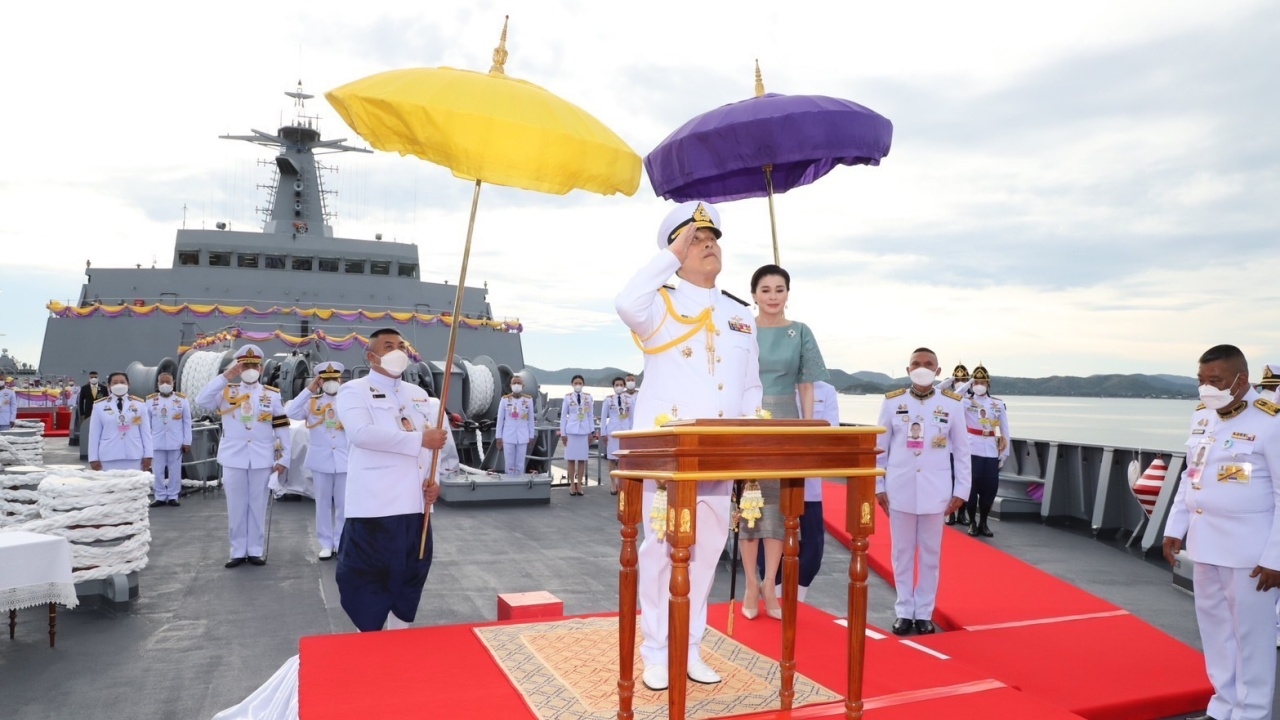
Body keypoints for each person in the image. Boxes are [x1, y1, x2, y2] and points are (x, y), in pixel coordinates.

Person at [616, 200, 763, 691]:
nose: (708, 246)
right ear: (677, 250)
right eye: (696, 241)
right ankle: (656, 650)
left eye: (712, 240)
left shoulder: (741, 316)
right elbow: (625, 303)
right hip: (669, 456)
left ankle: (691, 645)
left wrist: (745, 441)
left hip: (719, 453)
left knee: (706, 552)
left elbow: (750, 387)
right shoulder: (659, 302)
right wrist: (669, 255)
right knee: (661, 552)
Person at [1163, 344, 1280, 720]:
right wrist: (1174, 528)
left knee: (1252, 638)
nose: (1205, 389)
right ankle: (1223, 704)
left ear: (1241, 380)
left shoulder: (1271, 422)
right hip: (1205, 546)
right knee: (1215, 632)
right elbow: (1189, 476)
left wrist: (1276, 558)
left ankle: (1252, 712)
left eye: (1214, 381)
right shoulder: (1202, 418)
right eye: (1201, 381)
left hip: (1252, 554)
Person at [334, 328, 455, 631]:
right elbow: (361, 434)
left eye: (400, 345)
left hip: (415, 507)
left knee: (410, 578)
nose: (396, 350)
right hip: (375, 507)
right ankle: (370, 642)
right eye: (388, 346)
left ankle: (399, 640)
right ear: (371, 355)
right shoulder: (354, 391)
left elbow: (436, 442)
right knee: (368, 583)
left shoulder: (419, 395)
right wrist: (418, 440)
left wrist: (433, 480)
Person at [738, 263, 828, 622]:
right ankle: (749, 583)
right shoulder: (742, 331)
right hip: (749, 419)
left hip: (787, 418)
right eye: (765, 290)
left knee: (780, 511)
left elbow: (806, 384)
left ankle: (770, 586)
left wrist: (805, 428)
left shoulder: (801, 332)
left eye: (779, 289)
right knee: (751, 508)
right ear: (754, 295)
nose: (773, 296)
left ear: (788, 293)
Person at [876, 348, 971, 636]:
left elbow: (962, 452)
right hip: (900, 489)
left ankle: (924, 613)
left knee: (930, 555)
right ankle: (904, 611)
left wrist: (961, 490)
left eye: (928, 364)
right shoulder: (893, 403)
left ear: (938, 371)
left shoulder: (952, 404)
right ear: (908, 370)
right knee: (901, 553)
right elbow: (880, 449)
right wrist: (878, 485)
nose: (922, 368)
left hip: (935, 491)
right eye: (916, 364)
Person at [195, 345, 290, 568]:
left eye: (254, 365)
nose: (250, 369)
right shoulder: (226, 392)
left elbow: (282, 427)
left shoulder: (271, 395)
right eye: (245, 365)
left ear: (260, 367)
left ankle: (255, 550)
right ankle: (237, 551)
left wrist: (284, 458)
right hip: (234, 458)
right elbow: (201, 400)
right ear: (238, 367)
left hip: (262, 458)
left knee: (258, 505)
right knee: (236, 507)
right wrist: (226, 377)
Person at [285, 361, 349, 560]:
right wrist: (309, 390)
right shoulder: (312, 402)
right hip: (321, 460)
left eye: (334, 379)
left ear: (340, 380)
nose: (331, 383)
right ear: (320, 381)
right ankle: (325, 543)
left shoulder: (349, 401)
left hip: (344, 459)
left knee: (343, 504)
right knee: (322, 503)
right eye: (326, 379)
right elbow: (291, 412)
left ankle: (341, 541)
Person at [962, 364, 1011, 538]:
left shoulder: (997, 404)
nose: (979, 385)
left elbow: (1004, 430)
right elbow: (952, 397)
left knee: (989, 489)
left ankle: (984, 521)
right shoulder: (965, 402)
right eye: (976, 382)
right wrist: (967, 384)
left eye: (982, 382)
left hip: (991, 450)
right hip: (971, 450)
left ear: (988, 384)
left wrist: (1004, 454)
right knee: (971, 489)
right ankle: (972, 523)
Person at [88, 372, 154, 472]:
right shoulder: (99, 406)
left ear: (128, 384)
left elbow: (146, 432)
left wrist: (148, 455)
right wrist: (93, 458)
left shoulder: (139, 405)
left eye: (122, 382)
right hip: (109, 455)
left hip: (134, 454)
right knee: (112, 486)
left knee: (135, 486)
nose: (119, 385)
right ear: (109, 386)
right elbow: (94, 434)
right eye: (115, 382)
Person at [147, 372, 192, 507]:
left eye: (168, 382)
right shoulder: (150, 401)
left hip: (175, 442)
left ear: (173, 383)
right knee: (157, 471)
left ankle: (173, 495)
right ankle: (160, 496)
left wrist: (187, 441)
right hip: (156, 442)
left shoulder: (182, 400)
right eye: (162, 382)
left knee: (175, 471)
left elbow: (187, 422)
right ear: (158, 384)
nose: (165, 385)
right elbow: (146, 424)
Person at [559, 374, 595, 495]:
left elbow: (590, 415)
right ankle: (571, 484)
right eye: (576, 383)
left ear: (583, 384)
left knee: (582, 459)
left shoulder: (588, 398)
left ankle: (579, 484)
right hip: (571, 432)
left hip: (584, 431)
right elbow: (564, 416)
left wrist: (592, 432)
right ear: (572, 384)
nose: (578, 385)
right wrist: (563, 434)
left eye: (580, 383)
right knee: (570, 459)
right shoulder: (567, 398)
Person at [599, 376, 636, 494]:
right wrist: (603, 433)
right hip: (612, 432)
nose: (619, 387)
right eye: (616, 385)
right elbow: (603, 418)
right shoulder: (608, 400)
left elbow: (632, 417)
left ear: (624, 386)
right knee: (611, 459)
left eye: (621, 385)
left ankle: (622, 483)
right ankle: (613, 484)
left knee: (623, 459)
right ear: (613, 387)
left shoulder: (630, 399)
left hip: (625, 432)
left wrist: (632, 431)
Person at [495, 374, 536, 476]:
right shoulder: (505, 400)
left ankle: (519, 484)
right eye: (514, 383)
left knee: (520, 464)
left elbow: (531, 420)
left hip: (522, 435)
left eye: (519, 383)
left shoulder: (528, 400)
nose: (516, 385)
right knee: (509, 463)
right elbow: (500, 420)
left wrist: (531, 436)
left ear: (523, 385)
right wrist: (498, 437)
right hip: (508, 435)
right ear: (510, 385)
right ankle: (510, 483)